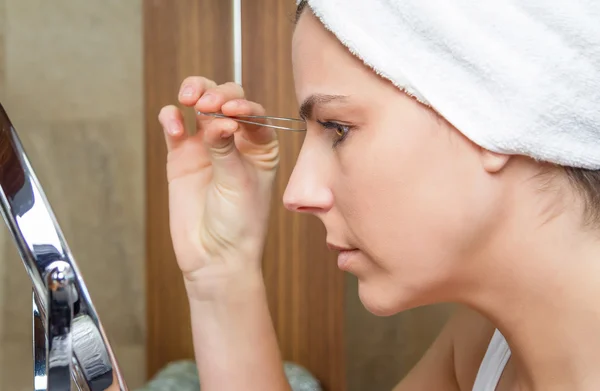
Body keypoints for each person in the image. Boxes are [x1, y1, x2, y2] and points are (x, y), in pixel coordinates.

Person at [157, 1, 600, 390]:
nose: (297, 194)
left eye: (338, 129)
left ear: (492, 114)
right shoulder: (483, 348)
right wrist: (222, 269)